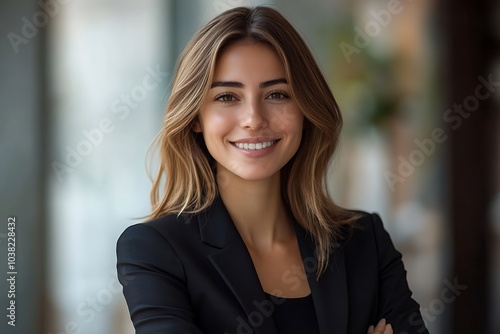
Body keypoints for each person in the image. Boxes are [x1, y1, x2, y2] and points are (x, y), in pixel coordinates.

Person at [116, 5, 429, 334]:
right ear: (195, 117)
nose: (253, 118)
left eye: (277, 94)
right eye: (227, 96)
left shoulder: (366, 242)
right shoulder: (155, 250)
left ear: (305, 110)